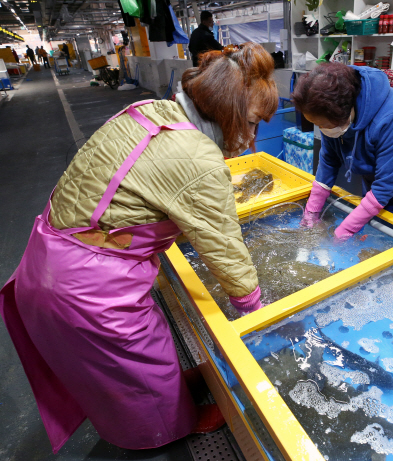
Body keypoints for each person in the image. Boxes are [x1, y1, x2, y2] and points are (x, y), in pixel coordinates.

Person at [0, 43, 277, 454]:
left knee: (129, 361)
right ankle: (171, 428)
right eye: (251, 122)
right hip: (86, 287)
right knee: (139, 361)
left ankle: (168, 396)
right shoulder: (201, 159)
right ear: (228, 110)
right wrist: (257, 316)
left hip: (46, 259)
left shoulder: (151, 111)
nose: (252, 136)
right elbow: (226, 250)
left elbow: (144, 191)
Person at [291, 63, 393, 238]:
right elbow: (329, 159)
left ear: (343, 113)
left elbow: (385, 186)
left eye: (324, 125)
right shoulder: (330, 113)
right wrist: (312, 210)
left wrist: (345, 230)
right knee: (373, 231)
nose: (321, 129)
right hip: (378, 176)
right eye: (317, 124)